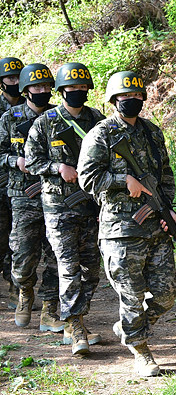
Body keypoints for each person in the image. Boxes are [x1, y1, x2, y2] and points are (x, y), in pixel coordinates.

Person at [78, 71, 176, 377]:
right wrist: (123, 181)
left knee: (167, 292)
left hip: (154, 224)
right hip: (120, 229)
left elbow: (166, 175)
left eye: (136, 96)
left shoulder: (152, 132)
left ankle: (130, 326)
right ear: (113, 100)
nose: (131, 100)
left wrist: (169, 210)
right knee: (132, 294)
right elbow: (87, 177)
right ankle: (141, 350)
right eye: (124, 97)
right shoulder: (101, 133)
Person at [26, 63, 105, 355]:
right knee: (68, 266)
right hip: (58, 206)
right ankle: (74, 326)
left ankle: (78, 316)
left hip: (90, 204)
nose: (78, 92)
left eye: (83, 88)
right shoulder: (46, 122)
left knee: (91, 269)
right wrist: (57, 166)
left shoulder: (96, 119)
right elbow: (32, 162)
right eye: (72, 88)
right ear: (61, 91)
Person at [0, 63, 61, 331]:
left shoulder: (59, 116)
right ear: (26, 90)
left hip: (56, 194)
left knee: (56, 253)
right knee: (23, 255)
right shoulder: (9, 118)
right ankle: (24, 291)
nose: (43, 91)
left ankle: (50, 308)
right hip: (22, 193)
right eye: (37, 87)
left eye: (47, 86)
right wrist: (15, 161)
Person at [0, 57, 24, 306]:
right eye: (10, 79)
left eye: (19, 78)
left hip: (22, 186)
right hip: (2, 180)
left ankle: (15, 286)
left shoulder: (34, 109)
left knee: (17, 236)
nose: (15, 83)